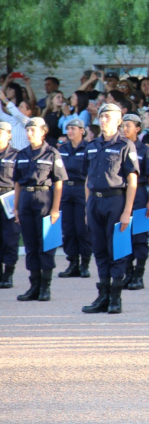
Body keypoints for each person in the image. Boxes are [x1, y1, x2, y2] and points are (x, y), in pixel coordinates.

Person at [80, 104, 139, 314]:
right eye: (101, 116)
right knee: (99, 249)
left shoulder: (125, 145)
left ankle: (115, 297)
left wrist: (127, 211)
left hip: (116, 201)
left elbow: (132, 181)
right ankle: (103, 295)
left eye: (108, 116)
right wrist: (87, 208)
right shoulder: (92, 145)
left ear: (118, 121)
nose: (103, 119)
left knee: (117, 250)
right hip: (95, 202)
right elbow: (87, 179)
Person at [11, 118, 65, 303]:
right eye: (27, 130)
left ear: (43, 131)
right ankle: (34, 286)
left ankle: (45, 286)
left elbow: (58, 182)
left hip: (44, 198)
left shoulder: (52, 153)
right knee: (30, 244)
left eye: (33, 130)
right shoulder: (22, 154)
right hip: (26, 199)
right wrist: (15, 207)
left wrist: (55, 209)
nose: (29, 133)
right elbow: (17, 183)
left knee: (46, 244)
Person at [119, 114, 149, 291]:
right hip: (121, 194)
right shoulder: (118, 147)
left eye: (129, 125)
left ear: (138, 129)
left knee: (140, 237)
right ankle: (128, 273)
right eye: (123, 125)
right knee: (123, 235)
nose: (125, 129)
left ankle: (139, 275)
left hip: (140, 194)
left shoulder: (144, 150)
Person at [56, 119, 93, 280]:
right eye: (68, 128)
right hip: (66, 189)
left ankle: (84, 263)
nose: (70, 131)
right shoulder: (62, 149)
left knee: (82, 228)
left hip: (81, 188)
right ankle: (72, 263)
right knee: (68, 228)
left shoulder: (88, 148)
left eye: (73, 128)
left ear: (82, 131)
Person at [0, 122, 21, 289]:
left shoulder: (17, 155)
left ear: (9, 135)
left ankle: (8, 273)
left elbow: (21, 179)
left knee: (10, 237)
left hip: (9, 198)